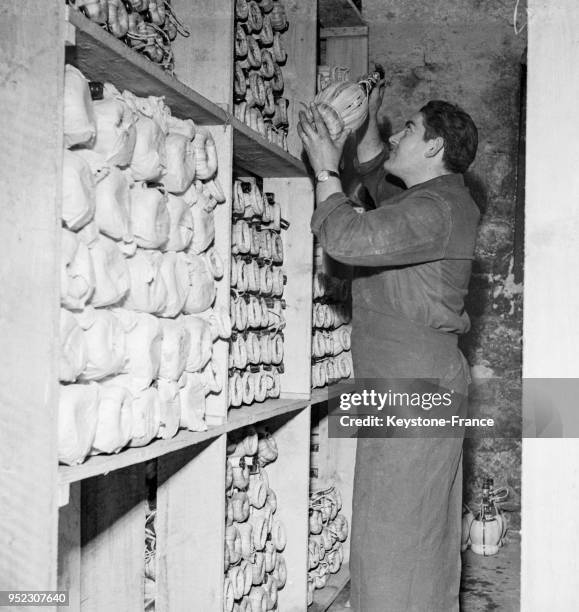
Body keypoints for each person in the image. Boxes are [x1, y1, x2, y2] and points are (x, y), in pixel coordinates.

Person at [298, 86, 480, 611]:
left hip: (413, 387)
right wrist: (368, 121)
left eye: (411, 131)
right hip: (402, 381)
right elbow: (379, 170)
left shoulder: (436, 209)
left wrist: (326, 169)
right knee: (414, 529)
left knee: (395, 536)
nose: (399, 136)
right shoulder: (431, 197)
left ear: (435, 148)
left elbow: (347, 239)